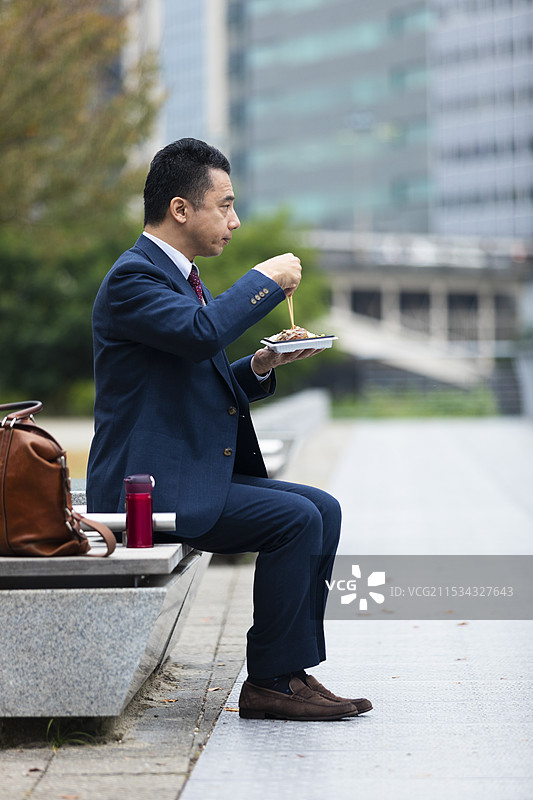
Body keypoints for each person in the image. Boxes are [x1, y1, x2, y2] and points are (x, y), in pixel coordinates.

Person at [87, 138, 372, 721]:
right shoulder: (133, 280)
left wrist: (262, 365)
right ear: (181, 209)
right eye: (226, 206)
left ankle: (289, 671)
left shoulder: (181, 280)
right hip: (147, 489)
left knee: (325, 508)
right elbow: (200, 334)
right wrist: (263, 280)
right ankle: (268, 682)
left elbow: (199, 377)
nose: (235, 222)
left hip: (182, 472)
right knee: (296, 519)